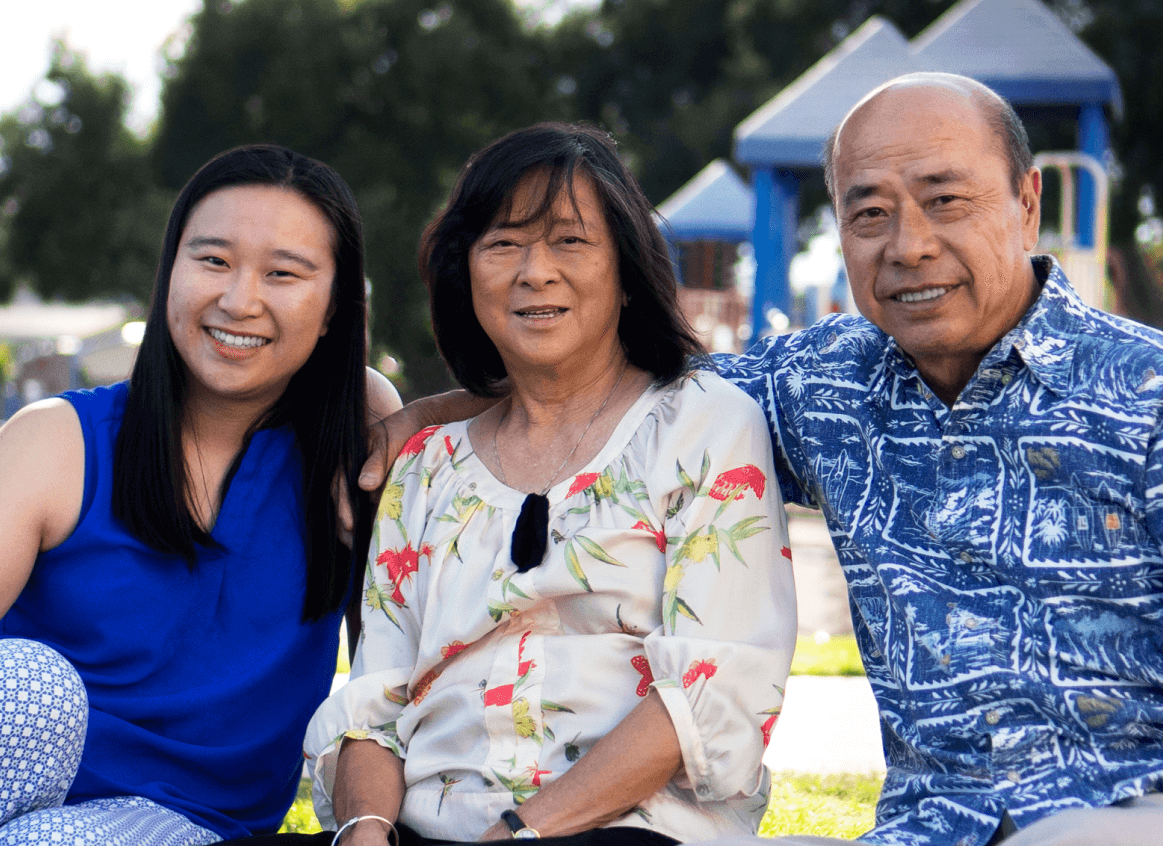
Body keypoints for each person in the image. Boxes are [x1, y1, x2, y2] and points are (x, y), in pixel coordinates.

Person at [364, 76, 1163, 846]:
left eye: (943, 200)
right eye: (868, 214)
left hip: (1135, 813)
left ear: (1025, 202)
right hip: (925, 826)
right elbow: (610, 385)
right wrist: (444, 411)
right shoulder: (822, 383)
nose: (908, 245)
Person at [0, 144, 402, 846]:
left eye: (284, 273)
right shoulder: (57, 442)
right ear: (169, 274)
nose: (239, 299)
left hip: (182, 819)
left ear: (335, 307)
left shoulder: (360, 453)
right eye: (212, 260)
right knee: (25, 682)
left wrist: (383, 407)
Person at [267, 123, 796, 846]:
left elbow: (706, 689)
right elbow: (374, 703)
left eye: (570, 241)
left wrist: (520, 832)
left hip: (626, 830)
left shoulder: (703, 425)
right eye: (503, 243)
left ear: (627, 271)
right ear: (467, 273)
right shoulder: (426, 465)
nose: (534, 271)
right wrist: (364, 830)